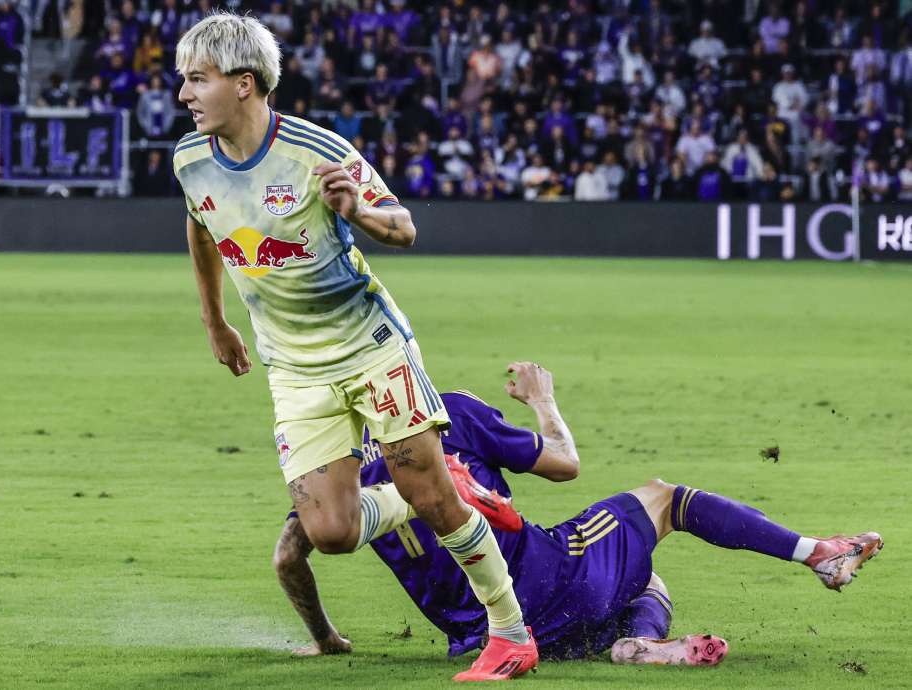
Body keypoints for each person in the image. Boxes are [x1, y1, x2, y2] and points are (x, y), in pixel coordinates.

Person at [170, 12, 536, 682]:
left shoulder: (316, 152)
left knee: (433, 500)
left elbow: (403, 228)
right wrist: (214, 321)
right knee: (331, 532)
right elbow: (201, 229)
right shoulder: (190, 160)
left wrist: (358, 213)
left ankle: (510, 632)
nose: (184, 94)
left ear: (244, 83)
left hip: (372, 348)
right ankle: (436, 485)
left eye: (197, 79)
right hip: (292, 366)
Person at [275, 362, 882, 665]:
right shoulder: (445, 414)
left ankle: (635, 647)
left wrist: (326, 639)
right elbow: (565, 463)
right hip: (548, 579)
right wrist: (543, 400)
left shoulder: (327, 477)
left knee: (632, 582)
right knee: (664, 500)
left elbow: (286, 558)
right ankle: (818, 554)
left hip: (477, 638)